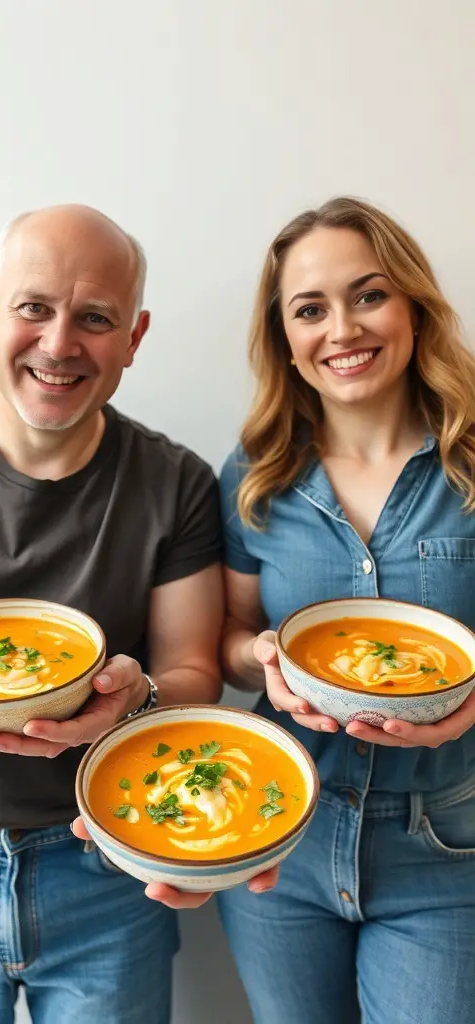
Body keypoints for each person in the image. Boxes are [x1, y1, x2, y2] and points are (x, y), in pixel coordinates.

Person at [0, 204, 225, 1024]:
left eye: (95, 319)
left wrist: (136, 697)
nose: (58, 344)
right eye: (33, 308)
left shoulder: (177, 483)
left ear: (135, 337)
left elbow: (195, 674)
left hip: (105, 863)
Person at [214, 197, 475, 1024]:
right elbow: (228, 638)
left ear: (411, 306)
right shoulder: (256, 471)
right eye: (310, 309)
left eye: (369, 295)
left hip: (446, 847)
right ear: (285, 339)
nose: (343, 329)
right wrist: (264, 662)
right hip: (278, 834)